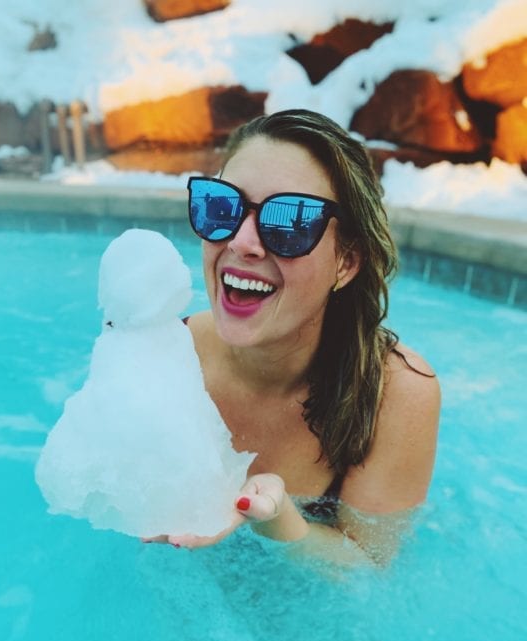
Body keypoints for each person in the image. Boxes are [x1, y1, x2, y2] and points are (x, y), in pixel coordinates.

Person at [145, 109, 440, 565]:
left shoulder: (396, 394)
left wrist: (279, 520)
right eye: (223, 207)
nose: (242, 242)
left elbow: (370, 573)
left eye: (290, 222)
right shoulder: (165, 354)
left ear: (346, 262)